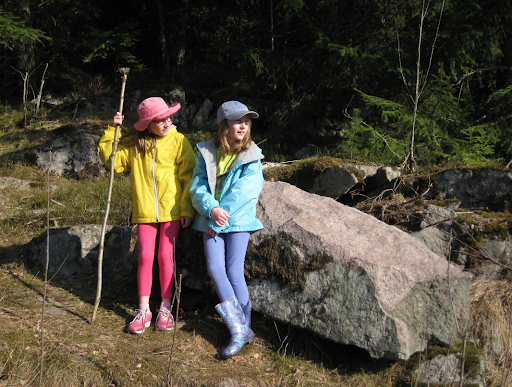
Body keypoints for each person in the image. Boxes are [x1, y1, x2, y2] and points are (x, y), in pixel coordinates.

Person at [98, 97, 196, 334]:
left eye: (168, 118)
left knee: (165, 255)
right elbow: (113, 162)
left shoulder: (178, 141)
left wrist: (186, 209)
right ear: (147, 124)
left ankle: (165, 307)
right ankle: (144, 309)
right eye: (159, 120)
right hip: (144, 212)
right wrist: (113, 130)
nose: (166, 123)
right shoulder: (136, 145)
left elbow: (188, 176)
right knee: (144, 256)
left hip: (171, 211)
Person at [189, 100, 264, 359]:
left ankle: (242, 330)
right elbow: (196, 186)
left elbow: (244, 193)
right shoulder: (207, 152)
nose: (242, 125)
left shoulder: (252, 154)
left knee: (234, 270)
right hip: (211, 219)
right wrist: (210, 209)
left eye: (246, 121)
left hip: (238, 221)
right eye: (236, 120)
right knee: (214, 269)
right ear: (224, 124)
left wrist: (217, 218)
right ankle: (241, 329)